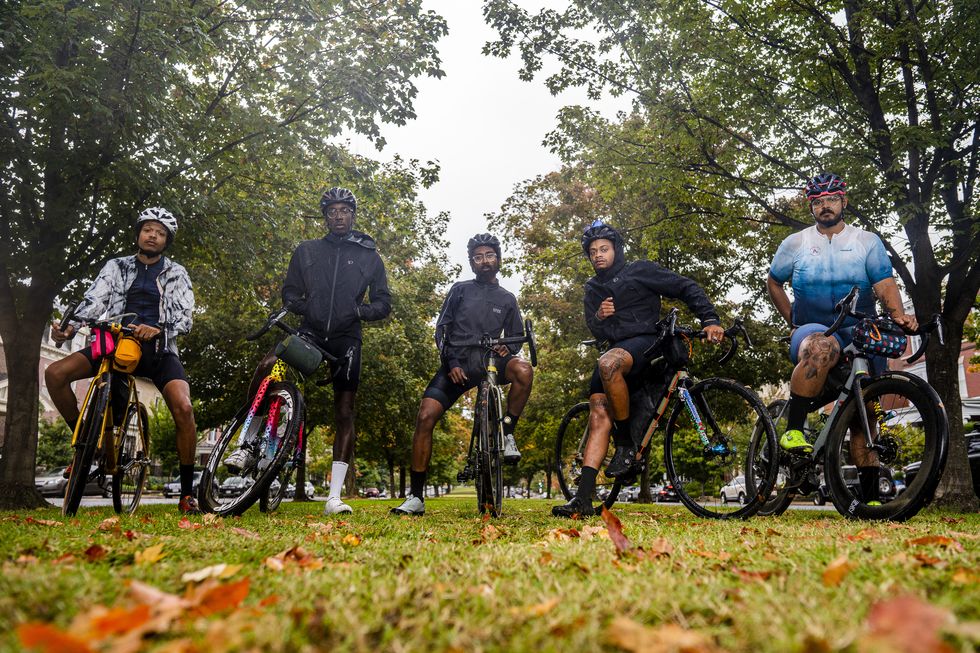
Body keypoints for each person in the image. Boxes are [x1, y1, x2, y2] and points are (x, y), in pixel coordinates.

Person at [224, 187, 391, 515]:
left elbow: (384, 303)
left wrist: (357, 312)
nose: (338, 216)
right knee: (268, 365)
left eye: (344, 210)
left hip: (347, 339)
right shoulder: (307, 250)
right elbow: (290, 292)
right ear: (325, 216)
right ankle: (247, 443)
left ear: (353, 215)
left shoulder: (370, 255)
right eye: (332, 211)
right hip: (310, 332)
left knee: (344, 412)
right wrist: (304, 306)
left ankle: (333, 497)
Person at [552, 220, 725, 518]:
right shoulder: (592, 288)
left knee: (607, 363)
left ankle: (624, 446)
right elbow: (594, 328)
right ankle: (582, 499)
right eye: (592, 252)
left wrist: (709, 318)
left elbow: (685, 286)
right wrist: (599, 315)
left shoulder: (639, 270)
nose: (598, 255)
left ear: (616, 249)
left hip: (644, 344)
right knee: (597, 414)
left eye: (604, 249)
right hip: (615, 349)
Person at [767, 172, 917, 505]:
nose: (825, 206)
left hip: (861, 330)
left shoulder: (867, 241)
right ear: (811, 207)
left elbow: (884, 283)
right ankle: (793, 430)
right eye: (818, 202)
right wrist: (792, 318)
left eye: (831, 199)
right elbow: (773, 281)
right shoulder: (795, 243)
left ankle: (869, 499)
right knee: (821, 346)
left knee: (865, 418)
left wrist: (898, 316)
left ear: (843, 201)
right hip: (814, 330)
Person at [47, 208, 200, 514]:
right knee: (55, 374)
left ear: (166, 239)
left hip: (159, 349)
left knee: (183, 408)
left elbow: (185, 315)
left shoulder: (176, 273)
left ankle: (186, 494)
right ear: (138, 233)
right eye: (148, 229)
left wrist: (160, 328)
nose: (152, 235)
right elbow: (95, 301)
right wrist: (71, 327)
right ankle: (85, 446)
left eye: (159, 232)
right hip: (114, 343)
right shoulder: (115, 266)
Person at [390, 234, 533, 516]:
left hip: (492, 363)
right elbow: (441, 330)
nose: (484, 261)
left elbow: (516, 336)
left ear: (498, 260)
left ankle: (507, 431)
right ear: (471, 262)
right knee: (425, 416)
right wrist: (451, 361)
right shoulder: (459, 290)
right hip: (456, 364)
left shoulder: (507, 298)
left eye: (489, 255)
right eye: (478, 257)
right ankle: (416, 497)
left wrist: (510, 346)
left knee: (524, 370)